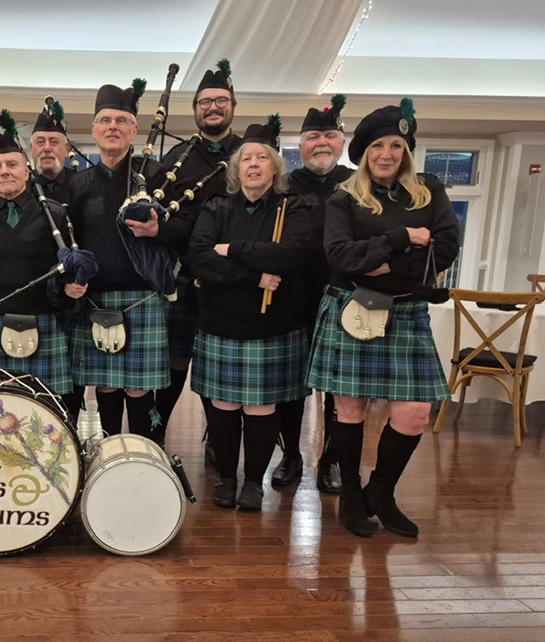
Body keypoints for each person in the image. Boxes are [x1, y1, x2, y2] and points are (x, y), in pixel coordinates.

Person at [306, 98, 459, 537]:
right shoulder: (344, 197)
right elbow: (339, 256)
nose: (386, 154)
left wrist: (382, 263)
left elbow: (446, 247)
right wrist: (400, 238)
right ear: (364, 152)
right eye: (377, 146)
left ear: (407, 151)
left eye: (395, 145)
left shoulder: (429, 191)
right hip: (353, 307)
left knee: (414, 413)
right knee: (349, 408)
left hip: (407, 311)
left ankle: (381, 492)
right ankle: (351, 495)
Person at [187, 117, 310, 512]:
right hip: (221, 323)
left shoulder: (294, 207)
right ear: (236, 169)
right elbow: (199, 258)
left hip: (272, 327)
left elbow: (292, 256)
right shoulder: (216, 207)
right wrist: (254, 277)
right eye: (246, 158)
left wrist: (232, 250)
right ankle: (227, 477)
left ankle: (254, 482)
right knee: (223, 407)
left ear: (275, 167)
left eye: (262, 157)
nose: (254, 164)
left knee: (261, 408)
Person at [64, 81, 193, 438]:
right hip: (95, 299)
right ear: (94, 130)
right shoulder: (79, 184)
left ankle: (143, 451)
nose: (113, 127)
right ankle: (109, 451)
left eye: (121, 121)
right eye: (105, 121)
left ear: (134, 131)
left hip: (143, 297)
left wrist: (157, 230)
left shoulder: (156, 176)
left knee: (138, 388)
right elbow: (70, 242)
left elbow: (185, 229)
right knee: (105, 385)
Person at [0, 128, 85, 403]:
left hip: (44, 321)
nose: (5, 171)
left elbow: (68, 267)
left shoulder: (54, 213)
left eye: (12, 164)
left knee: (48, 407)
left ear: (27, 171)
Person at [154, 58, 243, 450]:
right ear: (195, 109)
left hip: (235, 278)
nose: (213, 107)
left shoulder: (249, 155)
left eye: (220, 100)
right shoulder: (177, 157)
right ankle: (157, 430)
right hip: (184, 276)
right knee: (175, 361)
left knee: (218, 365)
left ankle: (217, 441)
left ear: (233, 106)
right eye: (205, 102)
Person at [271, 95, 353, 493]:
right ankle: (291, 455)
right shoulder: (283, 186)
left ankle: (331, 460)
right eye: (312, 137)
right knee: (291, 385)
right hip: (292, 297)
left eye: (329, 136)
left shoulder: (358, 184)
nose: (321, 143)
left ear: (341, 142)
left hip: (344, 298)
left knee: (339, 388)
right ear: (300, 145)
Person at [29, 103, 76, 203]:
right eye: (40, 142)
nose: (47, 148)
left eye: (54, 142)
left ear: (66, 149)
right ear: (31, 150)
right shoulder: (21, 186)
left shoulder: (81, 184)